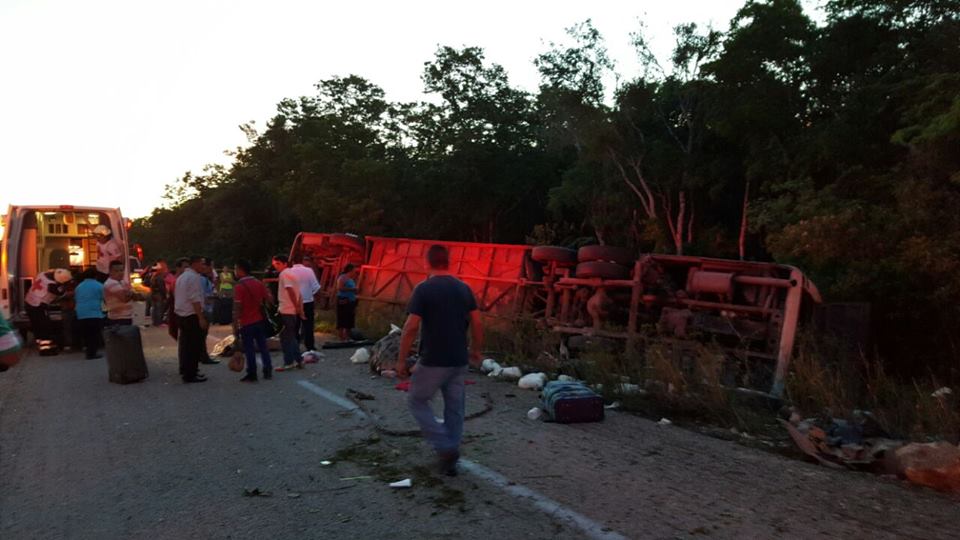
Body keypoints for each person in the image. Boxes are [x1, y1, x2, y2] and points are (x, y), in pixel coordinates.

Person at [398, 245, 483, 477]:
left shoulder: (423, 289)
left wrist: (401, 360)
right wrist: (476, 350)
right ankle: (450, 455)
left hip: (433, 360)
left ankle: (445, 447)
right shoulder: (464, 288)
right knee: (455, 408)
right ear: (448, 262)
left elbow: (410, 327)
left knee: (417, 401)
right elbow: (477, 322)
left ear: (427, 263)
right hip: (459, 359)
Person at [232, 259, 274, 382]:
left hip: (246, 322)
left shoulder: (239, 286)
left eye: (235, 269)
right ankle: (267, 369)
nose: (235, 271)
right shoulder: (258, 283)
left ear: (240, 270)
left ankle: (252, 373)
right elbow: (270, 299)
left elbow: (237, 307)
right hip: (259, 320)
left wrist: (235, 323)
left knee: (249, 348)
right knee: (263, 346)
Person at [175, 256, 212, 383]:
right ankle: (191, 373)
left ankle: (188, 370)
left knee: (186, 345)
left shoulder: (182, 277)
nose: (203, 266)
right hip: (191, 315)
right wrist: (201, 317)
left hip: (181, 314)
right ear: (195, 264)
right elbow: (194, 299)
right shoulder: (193, 278)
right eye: (202, 264)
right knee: (193, 346)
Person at [272, 254, 304, 371]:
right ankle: (299, 360)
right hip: (292, 311)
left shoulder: (284, 274)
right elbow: (299, 293)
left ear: (285, 264)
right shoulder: (294, 274)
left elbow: (290, 290)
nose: (276, 266)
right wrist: (300, 308)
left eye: (278, 264)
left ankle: (289, 362)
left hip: (286, 309)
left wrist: (297, 306)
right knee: (291, 336)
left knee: (285, 338)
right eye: (275, 264)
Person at [24, 268, 71, 345]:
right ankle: (45, 344)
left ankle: (39, 340)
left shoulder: (42, 275)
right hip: (37, 305)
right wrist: (65, 290)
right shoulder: (51, 285)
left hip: (28, 301)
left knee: (36, 324)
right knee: (44, 325)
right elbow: (60, 293)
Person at [290, 255, 321, 351]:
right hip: (307, 301)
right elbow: (316, 287)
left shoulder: (288, 272)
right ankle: (310, 345)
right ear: (302, 261)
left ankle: (294, 345)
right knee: (308, 325)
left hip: (293, 302)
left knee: (294, 325)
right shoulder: (308, 271)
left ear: (292, 262)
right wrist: (316, 297)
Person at [74, 269, 105, 359]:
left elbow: (76, 298)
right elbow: (104, 298)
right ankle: (92, 353)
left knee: (86, 334)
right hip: (94, 312)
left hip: (81, 312)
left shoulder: (79, 287)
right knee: (94, 334)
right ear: (96, 276)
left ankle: (88, 351)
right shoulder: (99, 285)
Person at [103, 261, 135, 326]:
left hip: (125, 317)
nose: (120, 273)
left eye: (121, 270)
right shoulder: (111, 283)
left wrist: (131, 293)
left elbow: (131, 293)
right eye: (116, 271)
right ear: (110, 272)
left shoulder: (122, 282)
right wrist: (131, 294)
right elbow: (125, 298)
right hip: (118, 319)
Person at [336, 264, 360, 341]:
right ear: (350, 270)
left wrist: (355, 291)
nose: (355, 272)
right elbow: (339, 288)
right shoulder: (343, 277)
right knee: (342, 318)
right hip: (344, 300)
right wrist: (352, 289)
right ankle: (341, 337)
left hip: (351, 301)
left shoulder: (351, 279)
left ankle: (347, 336)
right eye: (354, 271)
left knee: (349, 319)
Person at [149, 261, 170, 327]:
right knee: (159, 309)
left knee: (154, 308)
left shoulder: (153, 277)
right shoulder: (159, 278)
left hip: (153, 294)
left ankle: (155, 322)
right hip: (158, 295)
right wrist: (164, 296)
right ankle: (159, 322)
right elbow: (162, 288)